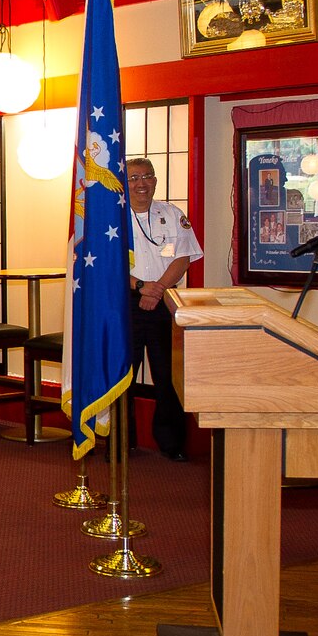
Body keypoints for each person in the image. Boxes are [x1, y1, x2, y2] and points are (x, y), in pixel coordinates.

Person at [124, 157, 202, 461]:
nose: (141, 184)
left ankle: (171, 444)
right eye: (133, 178)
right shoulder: (112, 219)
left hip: (164, 301)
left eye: (147, 177)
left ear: (155, 181)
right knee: (123, 376)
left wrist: (155, 291)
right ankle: (122, 442)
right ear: (123, 183)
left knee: (169, 376)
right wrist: (140, 287)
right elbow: (105, 265)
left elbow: (183, 258)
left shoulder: (172, 215)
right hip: (126, 302)